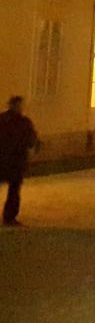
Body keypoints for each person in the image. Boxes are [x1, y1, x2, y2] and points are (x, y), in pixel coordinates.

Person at [0, 95, 39, 227]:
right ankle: (9, 217)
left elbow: (31, 139)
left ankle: (10, 217)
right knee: (14, 191)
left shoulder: (3, 120)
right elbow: (31, 140)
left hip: (7, 160)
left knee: (14, 191)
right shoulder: (23, 122)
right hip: (15, 161)